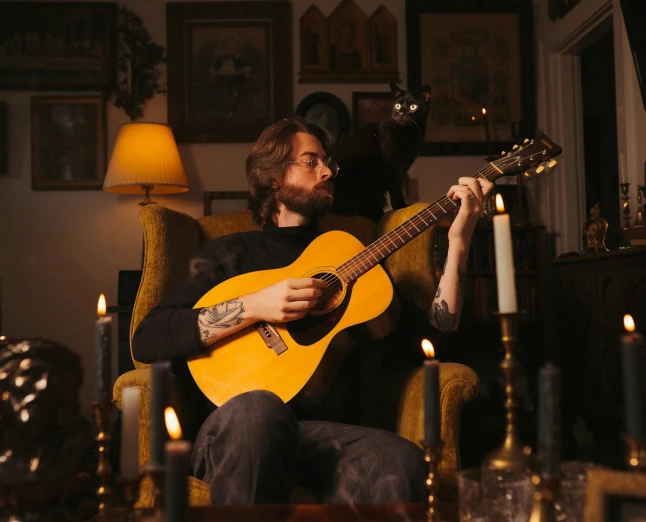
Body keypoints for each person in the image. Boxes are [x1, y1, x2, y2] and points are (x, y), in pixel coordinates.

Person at [133, 116, 493, 505]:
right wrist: (256, 305)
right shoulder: (230, 253)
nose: (327, 171)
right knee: (259, 409)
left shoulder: (354, 259)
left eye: (329, 163)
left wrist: (459, 243)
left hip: (325, 437)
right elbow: (149, 336)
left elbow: (435, 337)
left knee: (400, 458)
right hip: (237, 428)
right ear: (272, 177)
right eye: (311, 161)